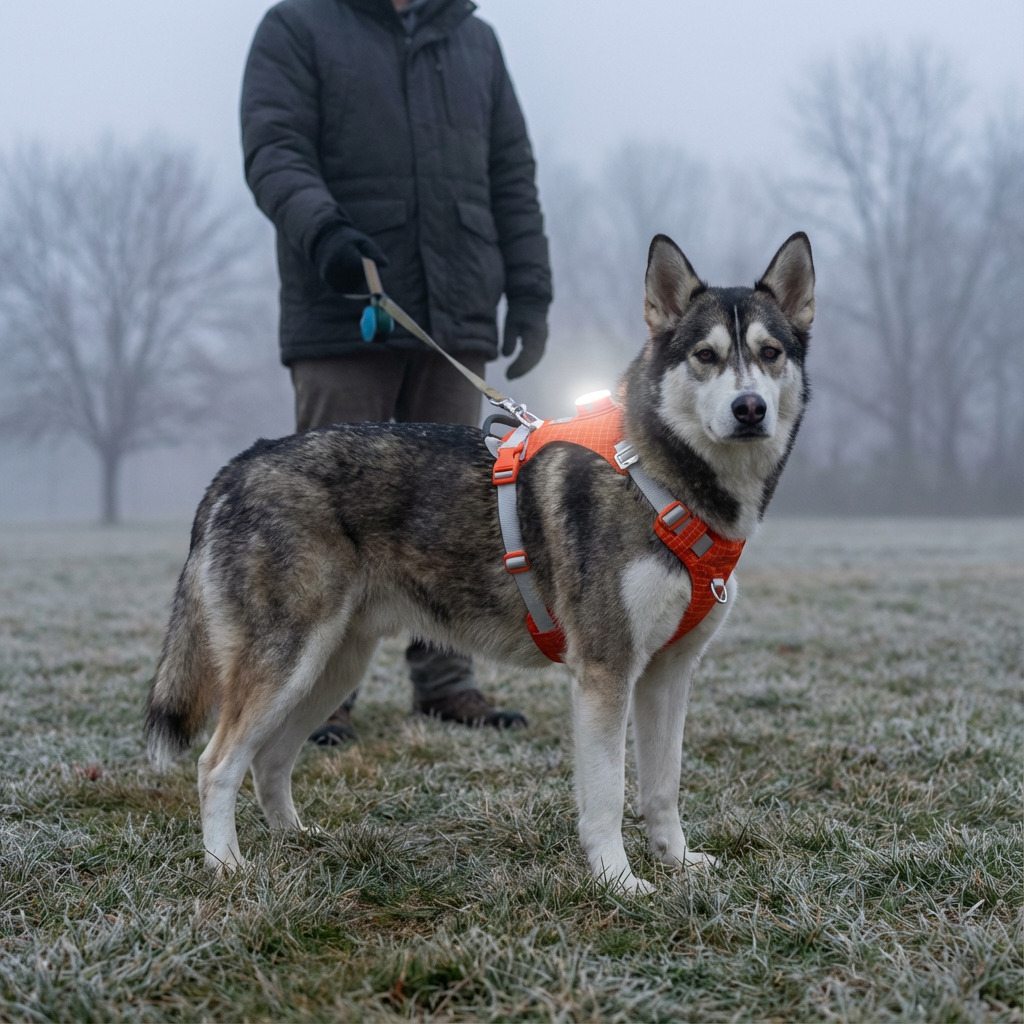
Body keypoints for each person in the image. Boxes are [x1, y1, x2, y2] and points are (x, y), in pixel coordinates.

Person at [240, 0, 552, 744]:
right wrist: (324, 233)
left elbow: (511, 170)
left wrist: (532, 289)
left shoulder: (476, 40)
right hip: (341, 307)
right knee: (326, 515)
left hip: (456, 312)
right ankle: (316, 694)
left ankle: (447, 684)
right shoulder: (296, 27)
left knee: (454, 516)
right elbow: (274, 150)